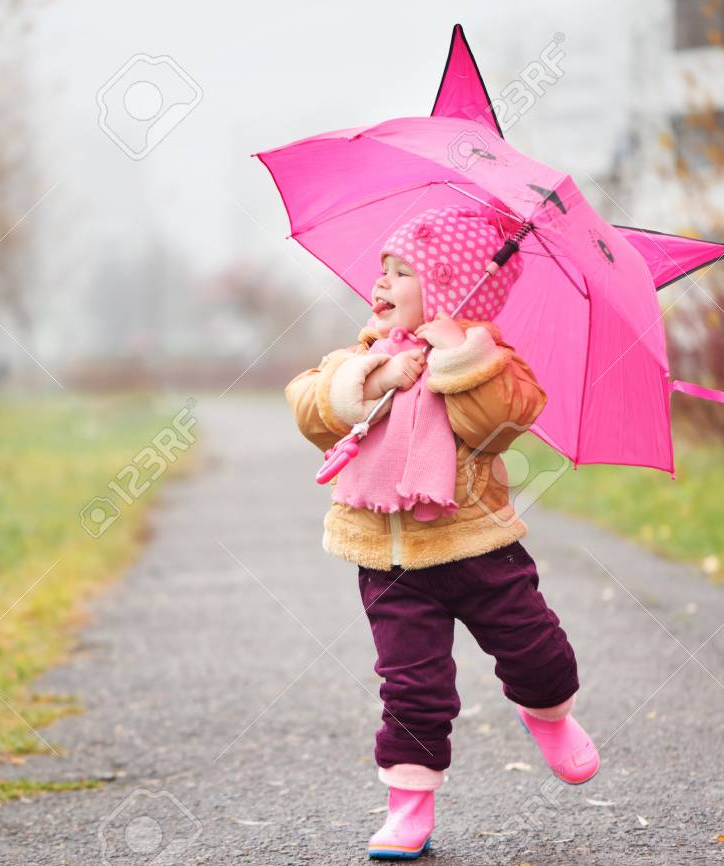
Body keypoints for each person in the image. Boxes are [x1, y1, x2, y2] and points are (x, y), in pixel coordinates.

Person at [284, 205, 601, 860]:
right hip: (392, 560)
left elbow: (499, 422)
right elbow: (310, 406)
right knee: (414, 690)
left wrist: (455, 356)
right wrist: (373, 378)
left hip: (478, 549)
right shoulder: (365, 352)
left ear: (450, 289)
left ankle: (549, 713)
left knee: (539, 653)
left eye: (403, 272)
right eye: (383, 269)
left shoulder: (491, 362)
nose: (381, 284)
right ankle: (408, 809)